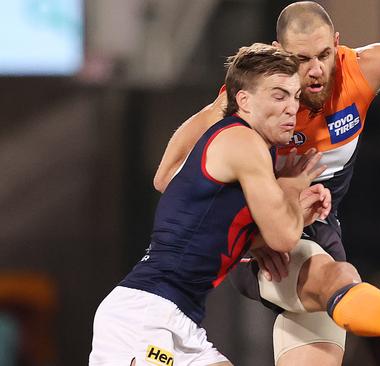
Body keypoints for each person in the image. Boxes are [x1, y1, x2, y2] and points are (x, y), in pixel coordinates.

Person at [152, 2, 380, 365]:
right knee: (337, 275)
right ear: (279, 53)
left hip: (322, 231)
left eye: (324, 54)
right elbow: (168, 176)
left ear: (337, 44)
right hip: (262, 247)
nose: (316, 70)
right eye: (301, 59)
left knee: (335, 287)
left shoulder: (358, 72)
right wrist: (253, 232)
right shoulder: (250, 100)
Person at [89, 43, 331, 366]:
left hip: (176, 321)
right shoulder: (243, 142)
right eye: (279, 95)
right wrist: (293, 188)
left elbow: (165, 180)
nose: (292, 108)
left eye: (295, 96)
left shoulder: (246, 146)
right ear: (243, 100)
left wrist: (287, 217)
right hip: (144, 319)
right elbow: (284, 237)